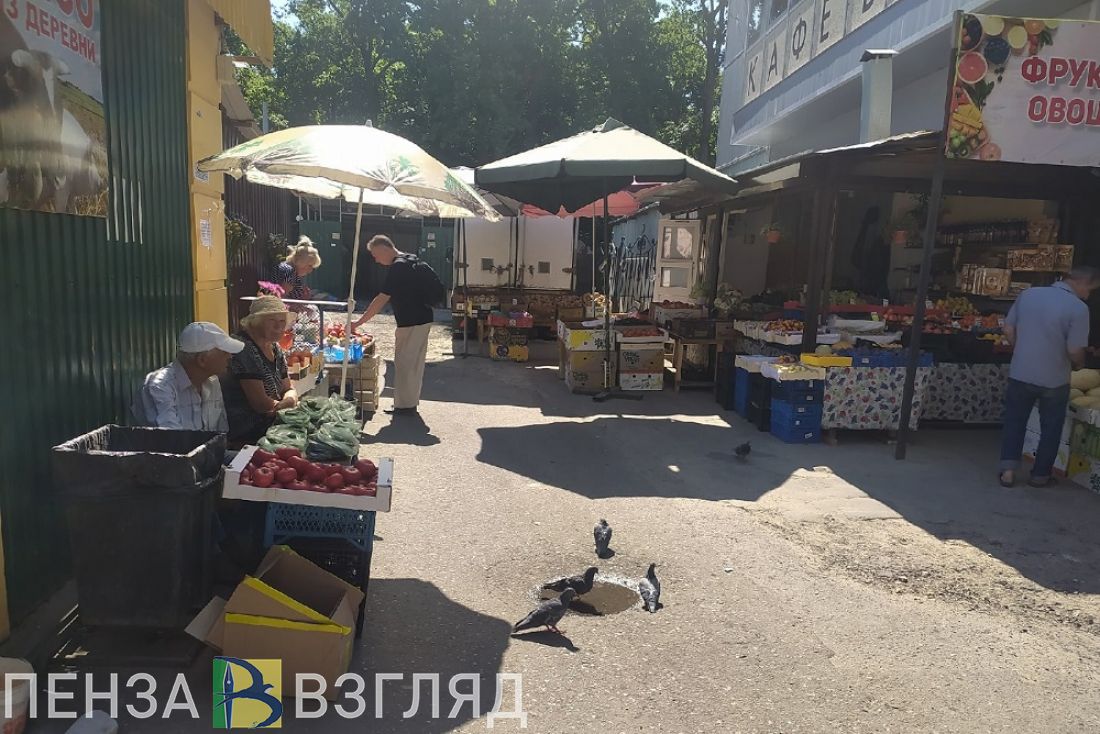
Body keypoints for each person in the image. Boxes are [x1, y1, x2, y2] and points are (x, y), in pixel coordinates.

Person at [999, 266, 1100, 488]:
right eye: (1091, 290)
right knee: (1051, 427)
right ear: (1083, 283)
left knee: (1015, 421)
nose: (1089, 295)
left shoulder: (1028, 295)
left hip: (1021, 372)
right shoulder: (1079, 308)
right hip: (1054, 379)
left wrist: (1021, 350)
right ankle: (1040, 475)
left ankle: (1007, 472)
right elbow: (1074, 350)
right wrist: (1080, 365)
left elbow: (1008, 329)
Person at [353, 235, 440, 416]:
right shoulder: (410, 258)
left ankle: (405, 407)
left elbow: (381, 299)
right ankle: (407, 403)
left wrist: (359, 322)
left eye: (375, 255)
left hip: (411, 322)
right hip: (422, 319)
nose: (376, 260)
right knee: (413, 364)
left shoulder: (398, 267)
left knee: (405, 364)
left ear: (385, 248)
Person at [132, 322, 244, 431]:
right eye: (224, 352)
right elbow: (171, 441)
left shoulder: (212, 382)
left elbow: (220, 434)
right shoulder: (159, 387)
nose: (230, 356)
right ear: (202, 360)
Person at [221, 296, 300, 446]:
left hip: (272, 424)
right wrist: (288, 404)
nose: (279, 327)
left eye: (282, 321)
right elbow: (261, 404)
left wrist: (289, 400)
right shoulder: (242, 348)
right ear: (255, 322)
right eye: (272, 321)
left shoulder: (274, 347)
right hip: (248, 433)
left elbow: (288, 387)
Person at [276, 236, 322, 301]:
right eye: (310, 265)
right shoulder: (289, 271)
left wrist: (304, 296)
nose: (311, 270)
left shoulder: (292, 271)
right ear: (301, 262)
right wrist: (299, 307)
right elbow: (281, 298)